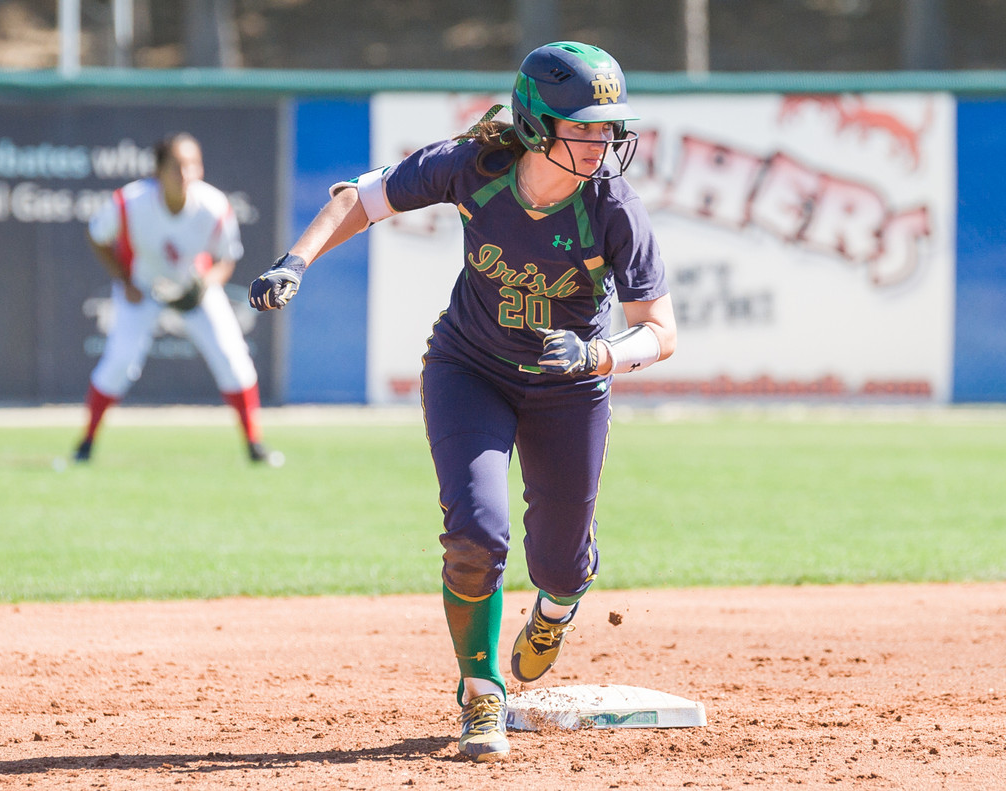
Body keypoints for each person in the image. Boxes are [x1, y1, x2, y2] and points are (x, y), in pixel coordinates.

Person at [249, 41, 676, 761]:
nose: (604, 140)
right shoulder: (476, 165)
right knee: (477, 533)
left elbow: (659, 332)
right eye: (586, 125)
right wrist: (295, 260)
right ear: (538, 125)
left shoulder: (612, 208)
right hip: (469, 369)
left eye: (610, 127)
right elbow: (362, 195)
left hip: (570, 389)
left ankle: (556, 606)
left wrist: (597, 353)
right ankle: (481, 695)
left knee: (561, 565)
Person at [74, 132, 280, 466]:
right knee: (119, 362)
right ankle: (86, 442)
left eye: (192, 165)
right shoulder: (131, 201)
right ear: (158, 171)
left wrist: (204, 284)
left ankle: (254, 442)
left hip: (192, 288)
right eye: (176, 166)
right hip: (141, 286)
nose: (184, 173)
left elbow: (226, 260)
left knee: (232, 357)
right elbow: (98, 236)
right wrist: (125, 280)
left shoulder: (214, 206)